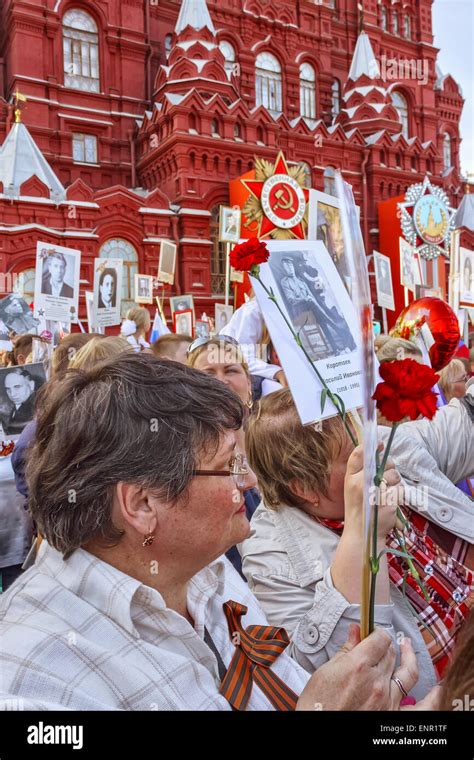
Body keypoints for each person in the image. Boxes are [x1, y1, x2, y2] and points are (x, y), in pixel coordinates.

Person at [0, 354, 418, 710]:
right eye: (229, 465)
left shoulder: (203, 568)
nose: (251, 481)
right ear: (143, 505)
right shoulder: (33, 675)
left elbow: (293, 687)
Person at [241, 389, 468, 702]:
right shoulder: (269, 556)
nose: (379, 458)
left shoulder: (385, 448)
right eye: (356, 458)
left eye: (368, 437)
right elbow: (325, 679)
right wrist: (365, 535)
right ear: (305, 487)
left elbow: (460, 426)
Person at [279, 257, 355, 357]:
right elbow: (291, 300)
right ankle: (341, 331)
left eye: (290, 265)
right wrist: (305, 299)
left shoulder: (300, 279)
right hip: (301, 310)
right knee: (317, 309)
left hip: (312, 307)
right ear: (284, 269)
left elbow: (311, 295)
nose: (289, 268)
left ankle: (336, 349)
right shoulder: (285, 282)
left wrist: (314, 302)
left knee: (322, 320)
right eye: (286, 266)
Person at [2, 367, 37, 435]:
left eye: (17, 387)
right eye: (8, 389)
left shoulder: (35, 407)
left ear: (31, 385)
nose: (12, 394)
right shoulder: (19, 404)